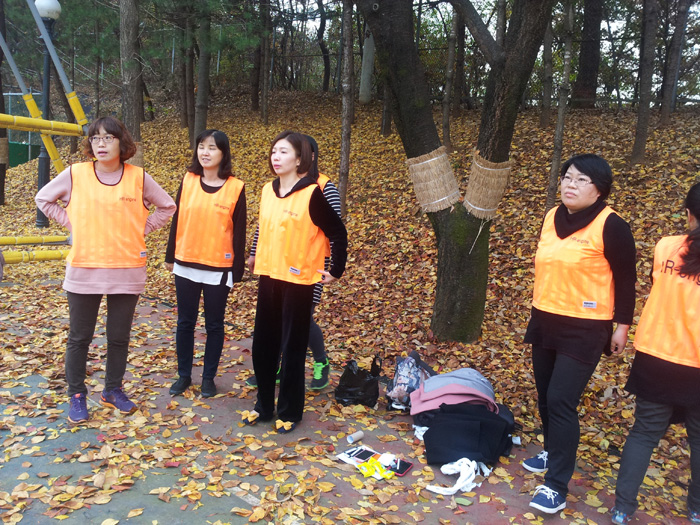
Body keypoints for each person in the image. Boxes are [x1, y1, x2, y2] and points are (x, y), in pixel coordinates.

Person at [35, 116, 176, 424]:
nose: (101, 144)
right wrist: (71, 223)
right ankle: (76, 394)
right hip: (84, 268)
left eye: (108, 138)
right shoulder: (75, 174)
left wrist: (142, 228)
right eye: (95, 138)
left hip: (127, 269)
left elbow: (168, 206)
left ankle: (112, 390)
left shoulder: (138, 177)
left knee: (118, 337)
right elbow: (43, 199)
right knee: (79, 337)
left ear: (121, 143)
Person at [522, 154, 636, 513]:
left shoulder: (611, 225)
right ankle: (552, 449)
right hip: (545, 318)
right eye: (567, 177)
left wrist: (622, 326)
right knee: (545, 396)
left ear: (599, 190)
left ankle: (556, 485)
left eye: (581, 180)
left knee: (560, 399)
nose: (570, 185)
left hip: (585, 327)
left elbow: (626, 279)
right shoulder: (551, 217)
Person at [242, 131, 347, 433]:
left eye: (284, 152)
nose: (276, 157)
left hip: (300, 282)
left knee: (292, 349)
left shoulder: (313, 193)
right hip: (269, 277)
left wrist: (336, 269)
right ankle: (263, 406)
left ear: (300, 159)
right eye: (274, 151)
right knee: (263, 345)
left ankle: (289, 412)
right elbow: (263, 227)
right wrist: (253, 254)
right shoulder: (267, 190)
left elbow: (337, 232)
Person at [610, 182, 700, 524]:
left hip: (656, 355)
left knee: (645, 433)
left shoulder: (665, 247)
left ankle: (622, 508)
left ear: (689, 214)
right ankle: (696, 508)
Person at [164, 130, 246, 398]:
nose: (205, 152)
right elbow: (177, 220)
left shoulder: (236, 187)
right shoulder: (188, 180)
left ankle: (208, 378)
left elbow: (239, 230)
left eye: (212, 148)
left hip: (218, 267)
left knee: (214, 325)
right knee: (185, 322)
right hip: (186, 262)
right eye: (201, 146)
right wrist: (170, 256)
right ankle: (184, 376)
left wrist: (236, 270)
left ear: (223, 153)